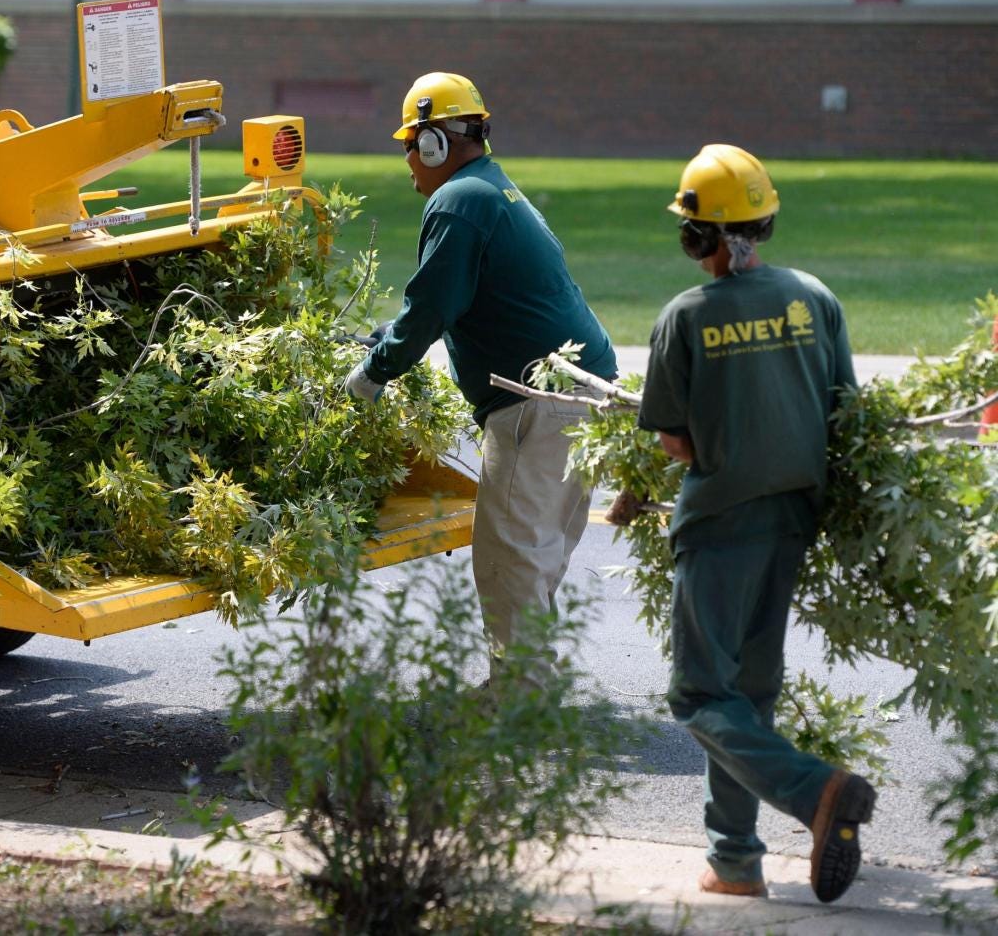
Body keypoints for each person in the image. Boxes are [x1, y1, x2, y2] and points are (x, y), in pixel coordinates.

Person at [636, 143, 876, 904]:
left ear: (695, 235)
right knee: (746, 692)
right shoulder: (814, 298)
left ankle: (816, 794)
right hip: (794, 518)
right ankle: (735, 861)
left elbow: (674, 438)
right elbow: (844, 407)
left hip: (720, 520)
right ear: (764, 222)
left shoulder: (684, 317)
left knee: (699, 697)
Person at [343, 71, 617, 691]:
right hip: (583, 390)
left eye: (410, 144)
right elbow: (451, 300)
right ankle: (530, 687)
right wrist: (387, 337)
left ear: (435, 142)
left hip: (537, 403)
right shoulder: (492, 189)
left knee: (510, 556)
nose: (408, 161)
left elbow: (432, 312)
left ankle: (520, 700)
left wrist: (371, 374)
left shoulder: (459, 201)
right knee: (538, 552)